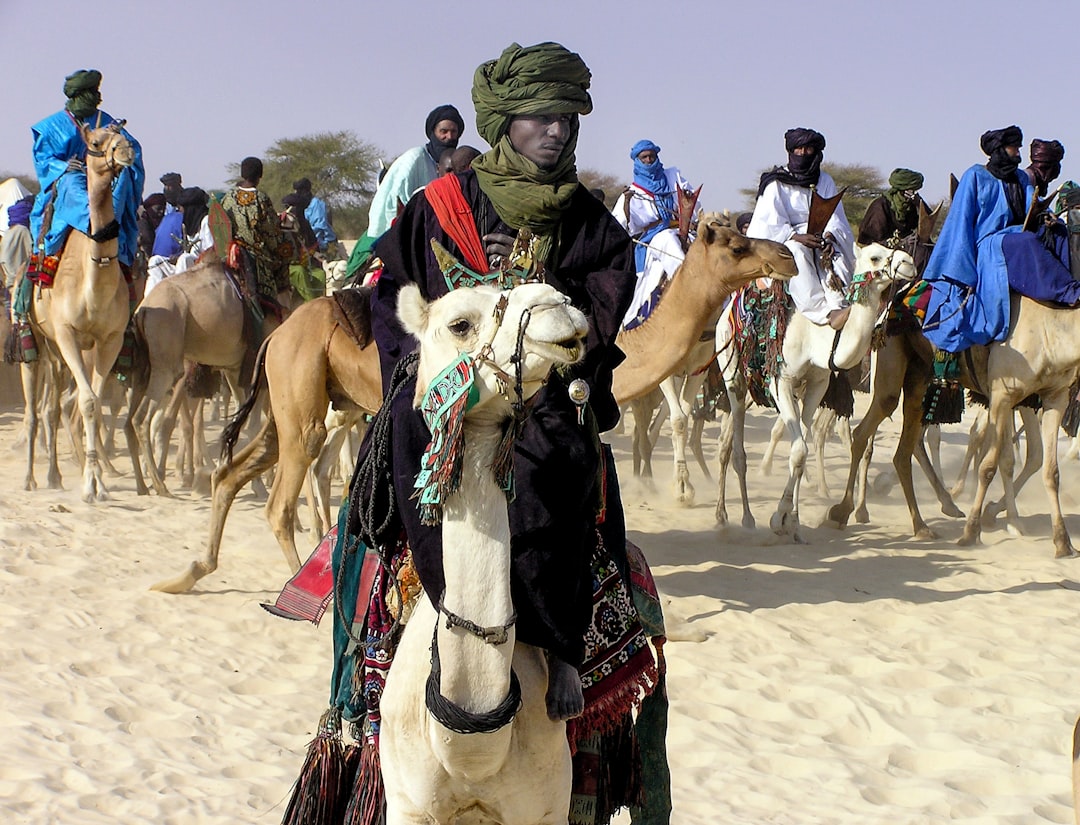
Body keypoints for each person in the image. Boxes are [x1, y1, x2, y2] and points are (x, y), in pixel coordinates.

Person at [348, 41, 638, 728]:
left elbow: (601, 307)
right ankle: (416, 610)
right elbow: (394, 296)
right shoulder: (442, 206)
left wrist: (542, 299)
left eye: (567, 117)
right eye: (541, 118)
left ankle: (560, 643)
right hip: (457, 383)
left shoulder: (588, 219)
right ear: (505, 123)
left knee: (556, 461)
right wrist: (433, 352)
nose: (557, 130)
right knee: (403, 442)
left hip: (543, 387)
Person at [922, 126, 1080, 358]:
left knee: (1057, 230)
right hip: (989, 244)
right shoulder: (975, 176)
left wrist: (1043, 216)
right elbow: (961, 223)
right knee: (1024, 242)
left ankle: (1068, 287)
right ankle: (1069, 292)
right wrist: (963, 271)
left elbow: (1030, 208)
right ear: (999, 149)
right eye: (1013, 147)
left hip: (1016, 234)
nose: (1018, 152)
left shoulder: (1019, 178)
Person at [29, 69, 145, 271]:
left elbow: (132, 149)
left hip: (104, 174)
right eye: (89, 92)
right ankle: (91, 223)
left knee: (124, 179)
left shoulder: (106, 121)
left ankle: (115, 235)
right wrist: (63, 167)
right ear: (77, 95)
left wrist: (116, 149)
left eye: (95, 91)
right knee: (71, 183)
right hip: (69, 178)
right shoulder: (52, 127)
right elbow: (43, 159)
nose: (95, 96)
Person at [748, 127, 856, 329]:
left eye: (809, 150)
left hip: (820, 234)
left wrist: (830, 236)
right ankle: (822, 313)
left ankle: (839, 303)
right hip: (787, 239)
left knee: (836, 252)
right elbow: (769, 224)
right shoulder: (776, 183)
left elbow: (835, 216)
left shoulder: (824, 180)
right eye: (799, 150)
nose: (804, 154)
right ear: (791, 152)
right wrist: (797, 237)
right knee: (798, 252)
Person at [344, 104, 465, 278]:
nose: (449, 137)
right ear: (433, 132)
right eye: (443, 131)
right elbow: (399, 204)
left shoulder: (450, 164)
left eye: (454, 132)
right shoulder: (414, 159)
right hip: (399, 233)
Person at [613, 140, 699, 328]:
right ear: (637, 160)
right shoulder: (632, 192)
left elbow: (692, 201)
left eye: (652, 155)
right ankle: (686, 281)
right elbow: (621, 228)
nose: (649, 159)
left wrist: (687, 200)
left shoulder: (672, 175)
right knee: (667, 241)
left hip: (683, 229)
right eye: (644, 157)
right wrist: (627, 204)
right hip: (654, 237)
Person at [220, 156, 291, 306]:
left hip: (232, 251)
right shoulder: (261, 198)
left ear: (242, 174)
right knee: (286, 254)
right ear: (260, 175)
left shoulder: (228, 197)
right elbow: (272, 231)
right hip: (255, 254)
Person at [858, 168, 931, 272]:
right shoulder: (880, 205)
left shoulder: (912, 204)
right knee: (919, 255)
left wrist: (920, 203)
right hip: (883, 252)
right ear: (901, 190)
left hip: (907, 247)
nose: (912, 194)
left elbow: (929, 220)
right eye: (910, 190)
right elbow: (874, 240)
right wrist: (902, 242)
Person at [291, 177, 337, 253]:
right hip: (311, 244)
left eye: (297, 191)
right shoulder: (303, 205)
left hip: (325, 245)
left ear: (304, 191)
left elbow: (319, 228)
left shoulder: (316, 204)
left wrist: (311, 244)